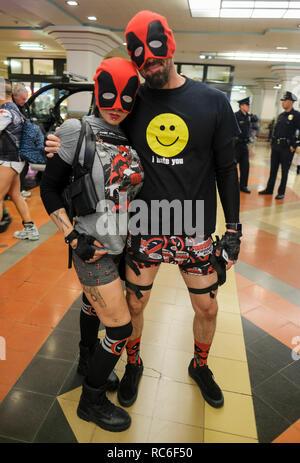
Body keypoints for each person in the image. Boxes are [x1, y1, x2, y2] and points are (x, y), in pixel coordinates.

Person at [46, 10, 242, 410]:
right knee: (135, 304)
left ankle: (200, 365)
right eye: (141, 57)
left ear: (169, 46)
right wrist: (57, 144)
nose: (149, 63)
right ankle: (132, 363)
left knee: (207, 304)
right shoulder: (134, 100)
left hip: (193, 226)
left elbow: (227, 169)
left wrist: (235, 229)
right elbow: (100, 128)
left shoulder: (214, 101)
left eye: (155, 53)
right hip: (144, 224)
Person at [41, 57, 144, 432]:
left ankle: (87, 360)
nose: (117, 106)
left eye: (126, 99)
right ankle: (91, 399)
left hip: (123, 246)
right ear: (98, 93)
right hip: (93, 247)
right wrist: (72, 236)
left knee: (90, 304)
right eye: (109, 96)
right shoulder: (74, 129)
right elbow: (49, 188)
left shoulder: (130, 134)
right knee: (119, 328)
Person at [0, 79, 39, 240]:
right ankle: (30, 229)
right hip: (15, 159)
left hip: (8, 159)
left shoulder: (5, 112)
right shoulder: (14, 109)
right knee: (15, 194)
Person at [259, 91, 300, 200]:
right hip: (276, 147)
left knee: (284, 171)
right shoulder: (281, 116)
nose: (283, 103)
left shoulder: (296, 116)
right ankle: (269, 189)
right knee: (273, 170)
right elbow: (276, 130)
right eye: (282, 101)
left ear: (291, 102)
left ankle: (281, 192)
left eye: (285, 101)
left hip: (287, 148)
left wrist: (294, 145)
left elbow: (298, 132)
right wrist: (272, 143)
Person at [12, 83, 31, 197]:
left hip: (22, 143)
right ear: (15, 96)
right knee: (17, 168)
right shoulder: (10, 108)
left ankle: (19, 189)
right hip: (12, 144)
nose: (25, 101)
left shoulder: (23, 106)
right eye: (23, 98)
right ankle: (16, 191)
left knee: (24, 166)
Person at [234, 96, 253, 194]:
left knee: (245, 166)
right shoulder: (236, 116)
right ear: (241, 106)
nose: (248, 107)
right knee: (233, 167)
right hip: (236, 145)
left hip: (244, 145)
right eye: (247, 105)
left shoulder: (247, 117)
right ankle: (232, 185)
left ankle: (243, 186)